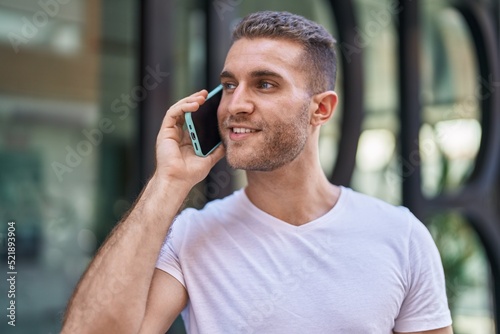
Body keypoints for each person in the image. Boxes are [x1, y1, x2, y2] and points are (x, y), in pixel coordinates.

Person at [62, 11, 453, 334]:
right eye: (229, 85)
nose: (236, 105)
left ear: (321, 109)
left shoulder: (401, 237)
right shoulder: (192, 236)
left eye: (264, 84)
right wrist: (168, 183)